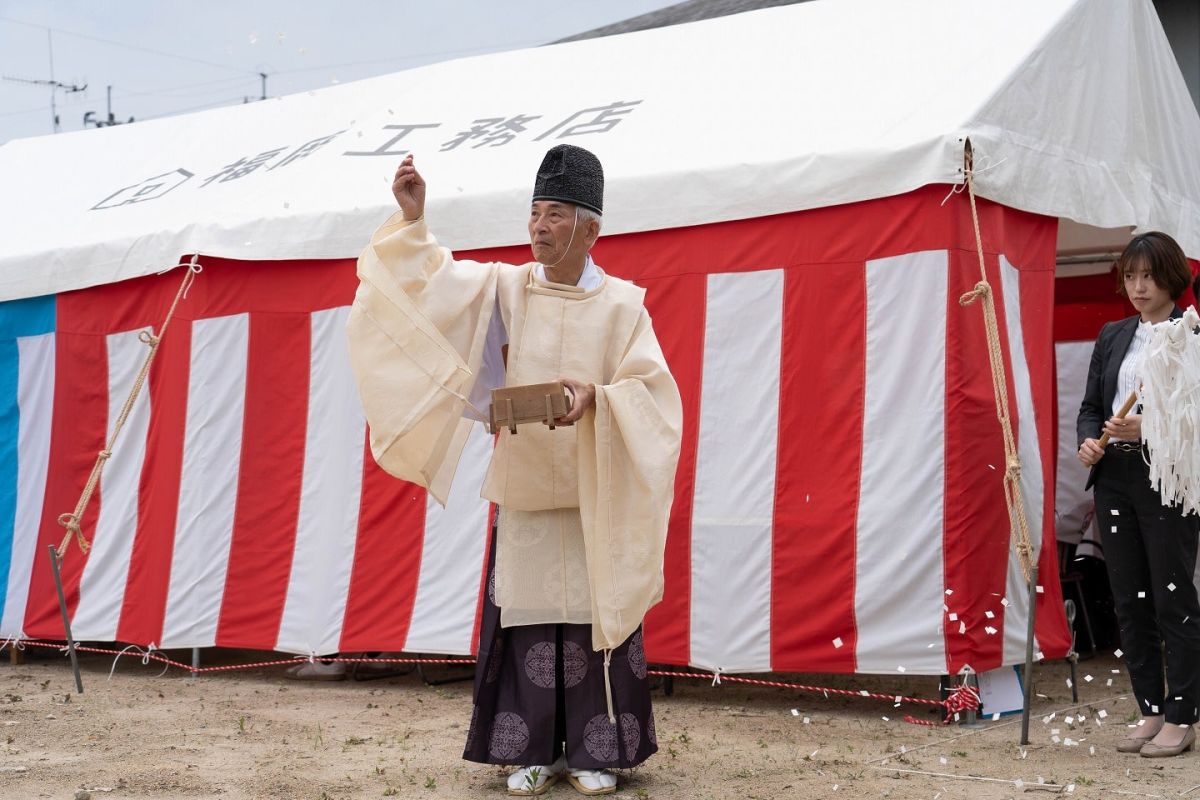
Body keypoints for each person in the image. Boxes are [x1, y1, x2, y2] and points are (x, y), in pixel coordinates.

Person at [347, 144, 682, 795]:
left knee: (591, 620)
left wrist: (596, 399)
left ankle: (594, 754)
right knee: (528, 618)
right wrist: (416, 221)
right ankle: (531, 750)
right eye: (534, 213)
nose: (539, 227)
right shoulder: (508, 286)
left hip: (593, 489)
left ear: (590, 229)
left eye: (556, 215)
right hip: (527, 479)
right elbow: (434, 288)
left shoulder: (623, 306)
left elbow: (655, 398)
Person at [1076, 231, 1200, 758]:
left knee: (1173, 596)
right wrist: (1089, 440)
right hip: (1115, 479)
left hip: (1166, 477)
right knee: (1129, 598)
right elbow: (1090, 404)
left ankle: (1183, 713)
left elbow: (1193, 420)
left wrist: (1146, 430)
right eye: (1130, 276)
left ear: (1171, 276)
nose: (1138, 286)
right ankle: (1150, 707)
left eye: (1148, 275)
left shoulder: (1190, 334)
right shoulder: (1112, 334)